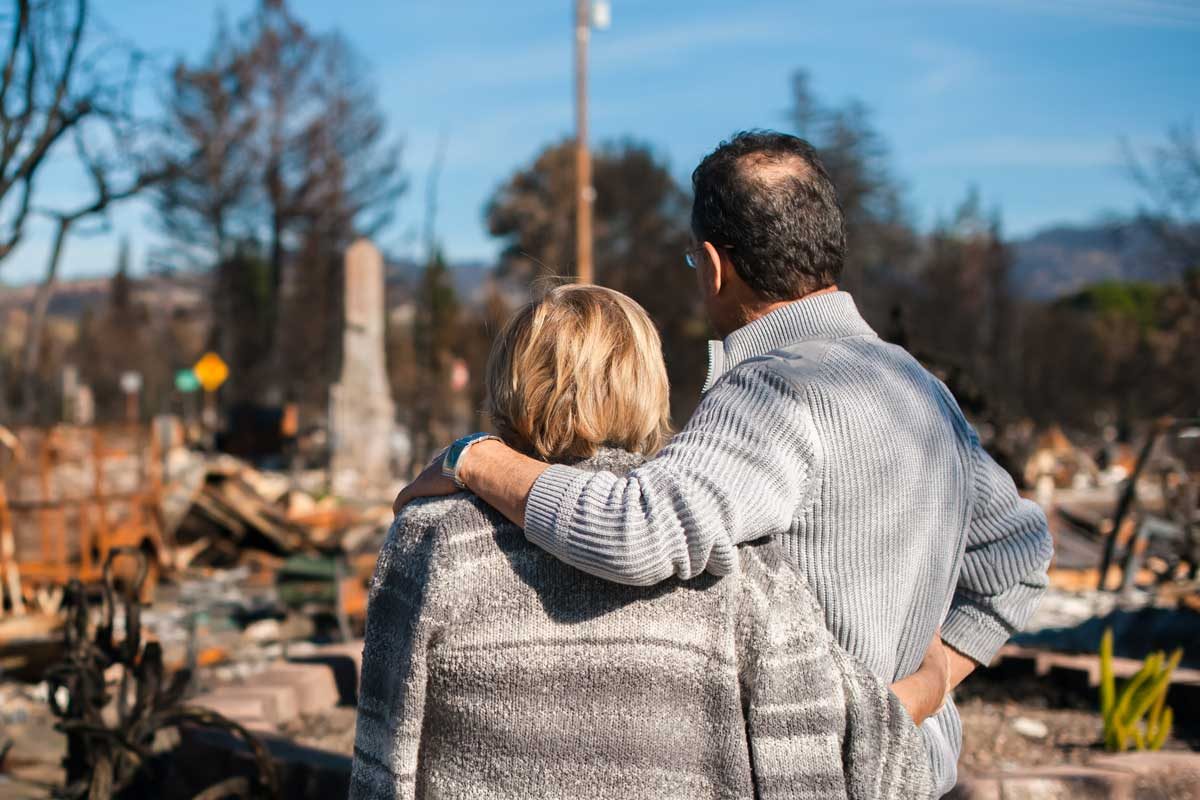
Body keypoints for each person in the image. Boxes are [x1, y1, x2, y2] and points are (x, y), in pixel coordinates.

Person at [394, 131, 1055, 796]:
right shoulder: (918, 389)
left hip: (816, 778)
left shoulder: (773, 390)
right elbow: (1019, 555)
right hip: (913, 775)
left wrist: (473, 458)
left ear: (714, 265)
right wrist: (931, 680)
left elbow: (635, 530)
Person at [353, 285, 948, 800]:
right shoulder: (737, 561)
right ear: (649, 386)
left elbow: (385, 759)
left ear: (507, 382)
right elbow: (812, 754)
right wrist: (931, 683)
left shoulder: (431, 540)